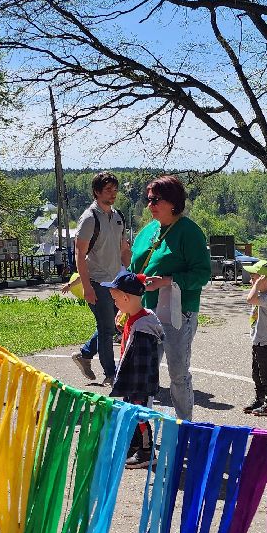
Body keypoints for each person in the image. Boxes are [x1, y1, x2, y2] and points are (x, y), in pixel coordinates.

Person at [129, 175, 210, 421]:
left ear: (173, 202)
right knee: (144, 374)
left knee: (178, 373)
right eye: (149, 199)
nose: (150, 205)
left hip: (178, 313)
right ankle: (143, 433)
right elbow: (134, 268)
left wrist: (167, 280)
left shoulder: (190, 232)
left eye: (156, 200)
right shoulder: (147, 232)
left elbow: (202, 274)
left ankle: (185, 426)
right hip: (146, 313)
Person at [71, 172, 131, 386]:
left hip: (117, 281)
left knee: (111, 326)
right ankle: (111, 373)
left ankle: (85, 354)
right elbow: (79, 254)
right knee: (107, 329)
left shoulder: (117, 216)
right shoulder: (89, 218)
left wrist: (128, 271)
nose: (113, 194)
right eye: (108, 190)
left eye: (115, 190)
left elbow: (124, 247)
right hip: (97, 282)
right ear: (97, 192)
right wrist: (87, 287)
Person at [104, 269, 164, 468]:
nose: (115, 304)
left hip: (139, 382)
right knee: (132, 412)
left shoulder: (143, 329)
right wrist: (123, 325)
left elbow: (143, 361)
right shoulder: (137, 317)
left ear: (126, 297)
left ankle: (147, 451)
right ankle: (136, 444)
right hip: (132, 379)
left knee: (140, 414)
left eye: (115, 299)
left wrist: (138, 389)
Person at [242, 259, 267, 416]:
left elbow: (249, 299)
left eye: (255, 277)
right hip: (258, 343)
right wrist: (257, 286)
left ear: (264, 279)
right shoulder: (260, 294)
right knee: (256, 374)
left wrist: (257, 285)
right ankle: (260, 399)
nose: (252, 280)